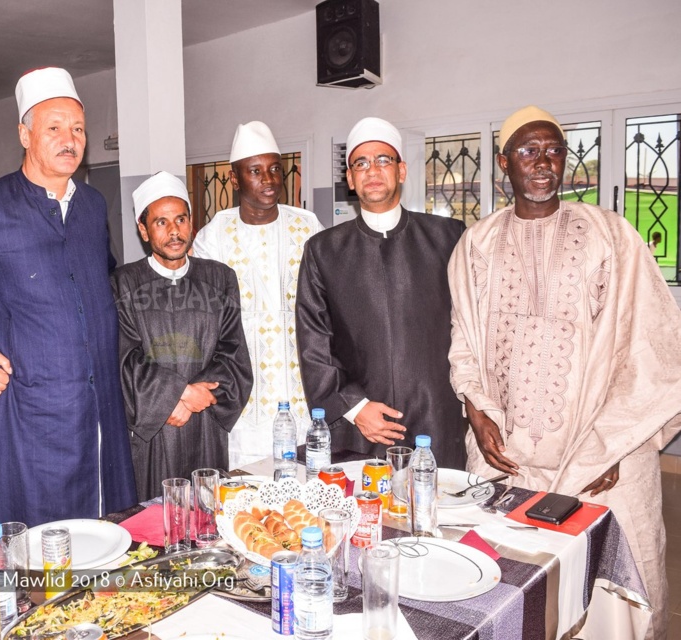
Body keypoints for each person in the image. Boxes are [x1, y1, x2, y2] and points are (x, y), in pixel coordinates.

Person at [448, 105, 681, 639]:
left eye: (554, 150)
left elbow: (653, 346)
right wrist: (476, 412)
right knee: (507, 589)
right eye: (528, 151)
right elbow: (463, 344)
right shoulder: (475, 245)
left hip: (600, 457)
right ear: (503, 164)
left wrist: (619, 444)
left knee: (609, 596)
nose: (543, 163)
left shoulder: (611, 235)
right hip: (508, 453)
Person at [0, 68, 136, 531]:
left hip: (99, 406)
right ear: (25, 135)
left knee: (104, 534)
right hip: (26, 412)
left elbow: (98, 286)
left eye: (78, 129)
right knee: (35, 547)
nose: (70, 139)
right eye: (54, 128)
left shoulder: (90, 206)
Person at [296, 117, 467, 468]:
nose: (372, 170)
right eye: (360, 163)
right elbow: (314, 343)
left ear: (401, 171)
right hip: (361, 429)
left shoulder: (449, 238)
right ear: (350, 179)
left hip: (438, 418)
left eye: (383, 160)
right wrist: (355, 408)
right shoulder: (323, 250)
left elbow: (474, 330)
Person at [112, 172, 253, 500]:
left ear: (192, 222)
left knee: (207, 517)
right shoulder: (123, 283)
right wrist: (176, 395)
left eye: (181, 219)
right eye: (161, 222)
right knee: (155, 524)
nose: (174, 231)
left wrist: (193, 400)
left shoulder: (219, 278)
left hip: (206, 423)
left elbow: (233, 351)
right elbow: (123, 357)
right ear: (143, 230)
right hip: (153, 433)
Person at [193, 122, 323, 469]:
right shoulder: (213, 237)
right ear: (235, 179)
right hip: (243, 400)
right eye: (255, 171)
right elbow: (201, 321)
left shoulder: (307, 226)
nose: (268, 180)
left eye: (275, 169)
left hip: (301, 393)